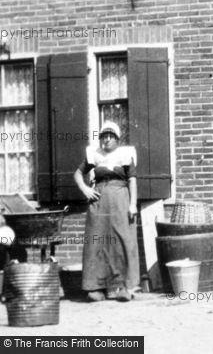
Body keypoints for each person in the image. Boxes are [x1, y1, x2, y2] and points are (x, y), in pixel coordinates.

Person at [74, 121, 139, 302]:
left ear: (117, 139)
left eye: (110, 137)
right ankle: (95, 288)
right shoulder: (94, 155)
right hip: (99, 203)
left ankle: (126, 287)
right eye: (104, 136)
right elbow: (77, 174)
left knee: (123, 240)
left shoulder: (125, 155)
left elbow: (132, 180)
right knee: (97, 241)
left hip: (121, 200)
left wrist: (132, 204)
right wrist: (86, 189)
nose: (107, 140)